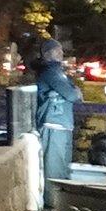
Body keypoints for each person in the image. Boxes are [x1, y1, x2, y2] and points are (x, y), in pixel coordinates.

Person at [32, 38, 81, 188]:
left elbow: (73, 93)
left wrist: (74, 92)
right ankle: (52, 205)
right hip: (53, 127)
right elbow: (73, 95)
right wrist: (75, 92)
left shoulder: (57, 73)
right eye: (57, 50)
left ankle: (57, 204)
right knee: (55, 173)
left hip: (62, 126)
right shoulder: (50, 73)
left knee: (62, 171)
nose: (61, 53)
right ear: (48, 54)